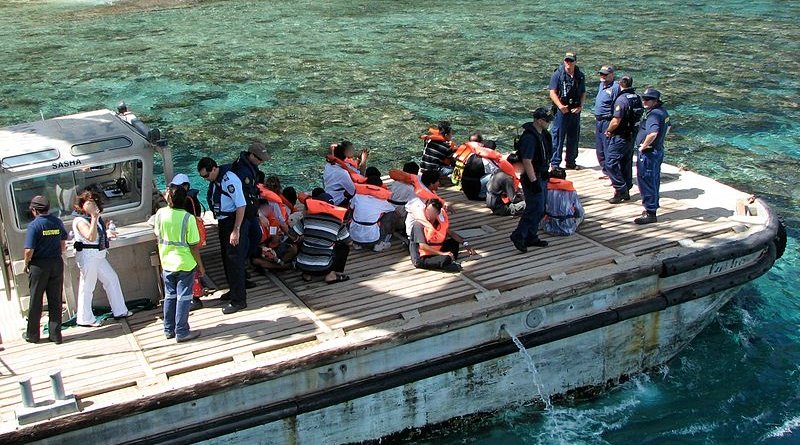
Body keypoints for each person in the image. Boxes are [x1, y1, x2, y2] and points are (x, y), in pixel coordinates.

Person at [72, 190, 132, 326]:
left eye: (94, 202)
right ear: (82, 205)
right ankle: (85, 318)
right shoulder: (80, 220)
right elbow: (90, 237)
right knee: (87, 287)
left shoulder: (96, 218)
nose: (93, 205)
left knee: (111, 278)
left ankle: (120, 310)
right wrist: (93, 217)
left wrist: (107, 232)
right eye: (89, 203)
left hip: (98, 255)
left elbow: (98, 234)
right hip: (88, 257)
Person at [198, 157, 249, 314]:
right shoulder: (217, 180)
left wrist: (236, 229)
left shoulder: (229, 180)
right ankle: (233, 291)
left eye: (206, 176)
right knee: (226, 258)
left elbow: (241, 205)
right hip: (223, 221)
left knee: (234, 260)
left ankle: (239, 300)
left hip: (232, 221)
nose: (206, 180)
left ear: (213, 169)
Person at [153, 185, 202, 342]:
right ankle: (182, 331)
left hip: (167, 262)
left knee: (170, 296)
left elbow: (157, 233)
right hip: (185, 263)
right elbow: (194, 245)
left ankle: (169, 329)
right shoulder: (188, 218)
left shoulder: (160, 214)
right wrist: (200, 265)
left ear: (169, 198)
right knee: (184, 297)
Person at [23, 196, 67, 344]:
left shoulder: (34, 226)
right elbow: (63, 243)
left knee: (36, 300)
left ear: (34, 210)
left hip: (39, 266)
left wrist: (26, 263)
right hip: (56, 263)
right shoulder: (57, 222)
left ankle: (33, 335)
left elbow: (29, 250)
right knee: (55, 299)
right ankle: (56, 335)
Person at [510, 107, 552, 253]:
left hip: (542, 175)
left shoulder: (543, 135)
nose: (549, 123)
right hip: (532, 178)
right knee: (534, 208)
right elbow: (527, 160)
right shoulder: (529, 137)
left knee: (541, 209)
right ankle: (518, 235)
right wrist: (533, 181)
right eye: (547, 120)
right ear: (539, 120)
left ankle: (531, 236)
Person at [168, 173, 211, 311]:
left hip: (188, 242)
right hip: (191, 239)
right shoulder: (193, 200)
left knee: (192, 270)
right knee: (194, 269)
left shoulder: (185, 203)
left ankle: (196, 298)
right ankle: (198, 290)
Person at [292, 193, 352, 284]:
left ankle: (306, 274)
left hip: (302, 265)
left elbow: (291, 234)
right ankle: (331, 275)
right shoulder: (338, 223)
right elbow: (349, 242)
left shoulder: (307, 218)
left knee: (302, 239)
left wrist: (300, 239)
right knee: (343, 246)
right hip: (324, 268)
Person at [604, 75, 644, 204]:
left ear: (620, 84)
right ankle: (627, 187)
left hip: (620, 136)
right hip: (632, 134)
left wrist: (609, 130)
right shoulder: (637, 98)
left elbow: (616, 120)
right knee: (626, 162)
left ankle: (620, 189)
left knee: (610, 162)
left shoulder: (621, 100)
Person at [634, 87, 671, 224]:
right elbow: (668, 128)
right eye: (643, 98)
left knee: (646, 180)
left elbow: (653, 133)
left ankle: (650, 212)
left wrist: (643, 146)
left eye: (648, 99)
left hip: (649, 153)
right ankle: (652, 207)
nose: (644, 101)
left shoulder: (653, 115)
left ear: (655, 101)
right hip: (657, 150)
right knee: (654, 179)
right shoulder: (663, 112)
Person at [406, 198, 475, 272]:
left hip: (435, 251)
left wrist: (465, 244)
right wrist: (442, 254)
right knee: (446, 258)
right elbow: (423, 246)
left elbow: (451, 233)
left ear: (438, 213)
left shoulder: (439, 222)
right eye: (428, 211)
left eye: (433, 212)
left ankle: (445, 260)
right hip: (422, 257)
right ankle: (446, 262)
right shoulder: (419, 224)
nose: (429, 214)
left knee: (453, 242)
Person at [232, 142, 269, 264]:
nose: (261, 162)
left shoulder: (249, 165)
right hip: (244, 210)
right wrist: (260, 214)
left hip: (250, 207)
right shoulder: (243, 171)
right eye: (259, 159)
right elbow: (247, 196)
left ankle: (247, 258)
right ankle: (242, 262)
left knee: (256, 234)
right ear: (252, 155)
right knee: (246, 239)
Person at [549, 51, 586, 170]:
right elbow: (552, 92)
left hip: (574, 110)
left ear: (575, 61)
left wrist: (580, 106)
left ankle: (571, 162)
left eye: (571, 60)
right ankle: (555, 163)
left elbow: (583, 92)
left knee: (573, 137)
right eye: (566, 60)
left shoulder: (580, 75)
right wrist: (560, 106)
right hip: (562, 110)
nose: (568, 63)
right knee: (558, 136)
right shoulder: (557, 74)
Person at [349, 176, 398, 251]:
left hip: (354, 236)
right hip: (372, 238)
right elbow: (392, 210)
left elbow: (351, 208)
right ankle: (379, 243)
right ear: (380, 188)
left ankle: (358, 244)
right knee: (392, 214)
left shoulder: (357, 196)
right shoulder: (382, 201)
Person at [593, 65, 620, 179]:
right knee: (600, 149)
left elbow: (617, 107)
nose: (602, 76)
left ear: (612, 75)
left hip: (607, 121)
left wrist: (613, 126)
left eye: (605, 74)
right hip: (599, 121)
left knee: (608, 148)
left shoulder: (615, 88)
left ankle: (612, 174)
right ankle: (606, 171)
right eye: (601, 74)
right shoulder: (601, 85)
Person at [323, 143, 357, 207]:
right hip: (337, 201)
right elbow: (353, 191)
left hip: (327, 194)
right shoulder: (343, 173)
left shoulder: (328, 166)